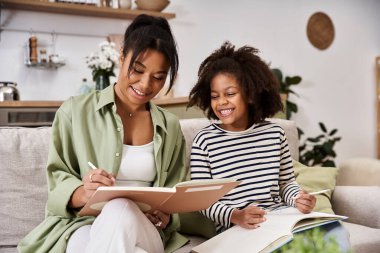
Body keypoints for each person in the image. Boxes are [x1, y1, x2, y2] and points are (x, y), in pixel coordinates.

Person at [18, 14, 189, 253]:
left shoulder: (170, 126)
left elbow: (177, 195)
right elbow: (58, 182)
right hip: (82, 225)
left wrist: (167, 217)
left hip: (147, 230)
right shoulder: (74, 112)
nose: (145, 84)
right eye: (137, 70)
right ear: (121, 56)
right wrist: (82, 192)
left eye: (159, 77)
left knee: (120, 208)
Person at [188, 41, 350, 251]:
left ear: (250, 93)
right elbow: (202, 201)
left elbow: (286, 184)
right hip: (236, 228)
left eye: (230, 94)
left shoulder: (274, 134)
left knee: (334, 233)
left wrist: (298, 198)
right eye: (215, 96)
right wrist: (236, 215)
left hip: (278, 219)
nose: (221, 102)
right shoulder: (204, 141)